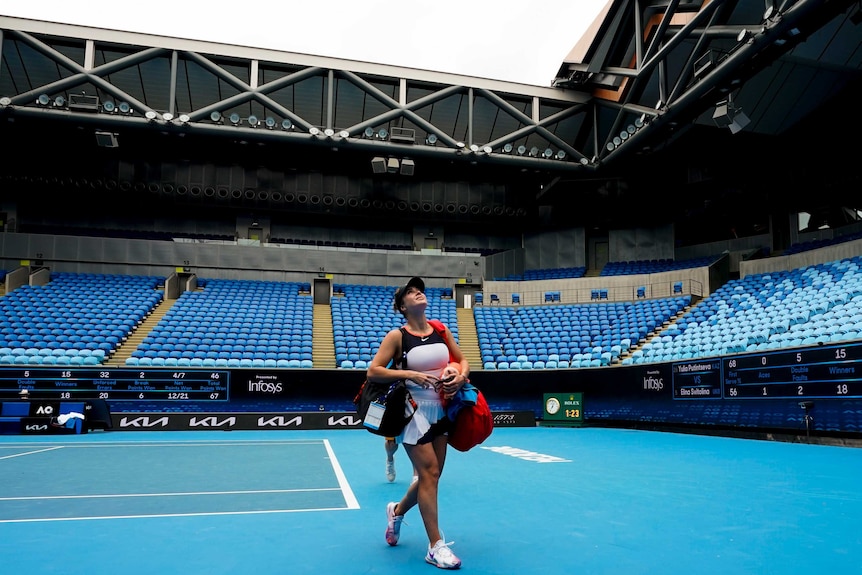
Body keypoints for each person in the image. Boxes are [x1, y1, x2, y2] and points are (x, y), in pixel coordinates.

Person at [367, 276, 470, 570]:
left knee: (431, 478)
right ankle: (435, 546)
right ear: (403, 306)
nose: (419, 294)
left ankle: (397, 512)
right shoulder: (397, 336)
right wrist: (408, 375)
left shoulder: (441, 329)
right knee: (430, 471)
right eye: (411, 293)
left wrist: (460, 376)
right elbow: (373, 371)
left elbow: (463, 361)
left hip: (442, 409)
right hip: (412, 412)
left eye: (420, 291)